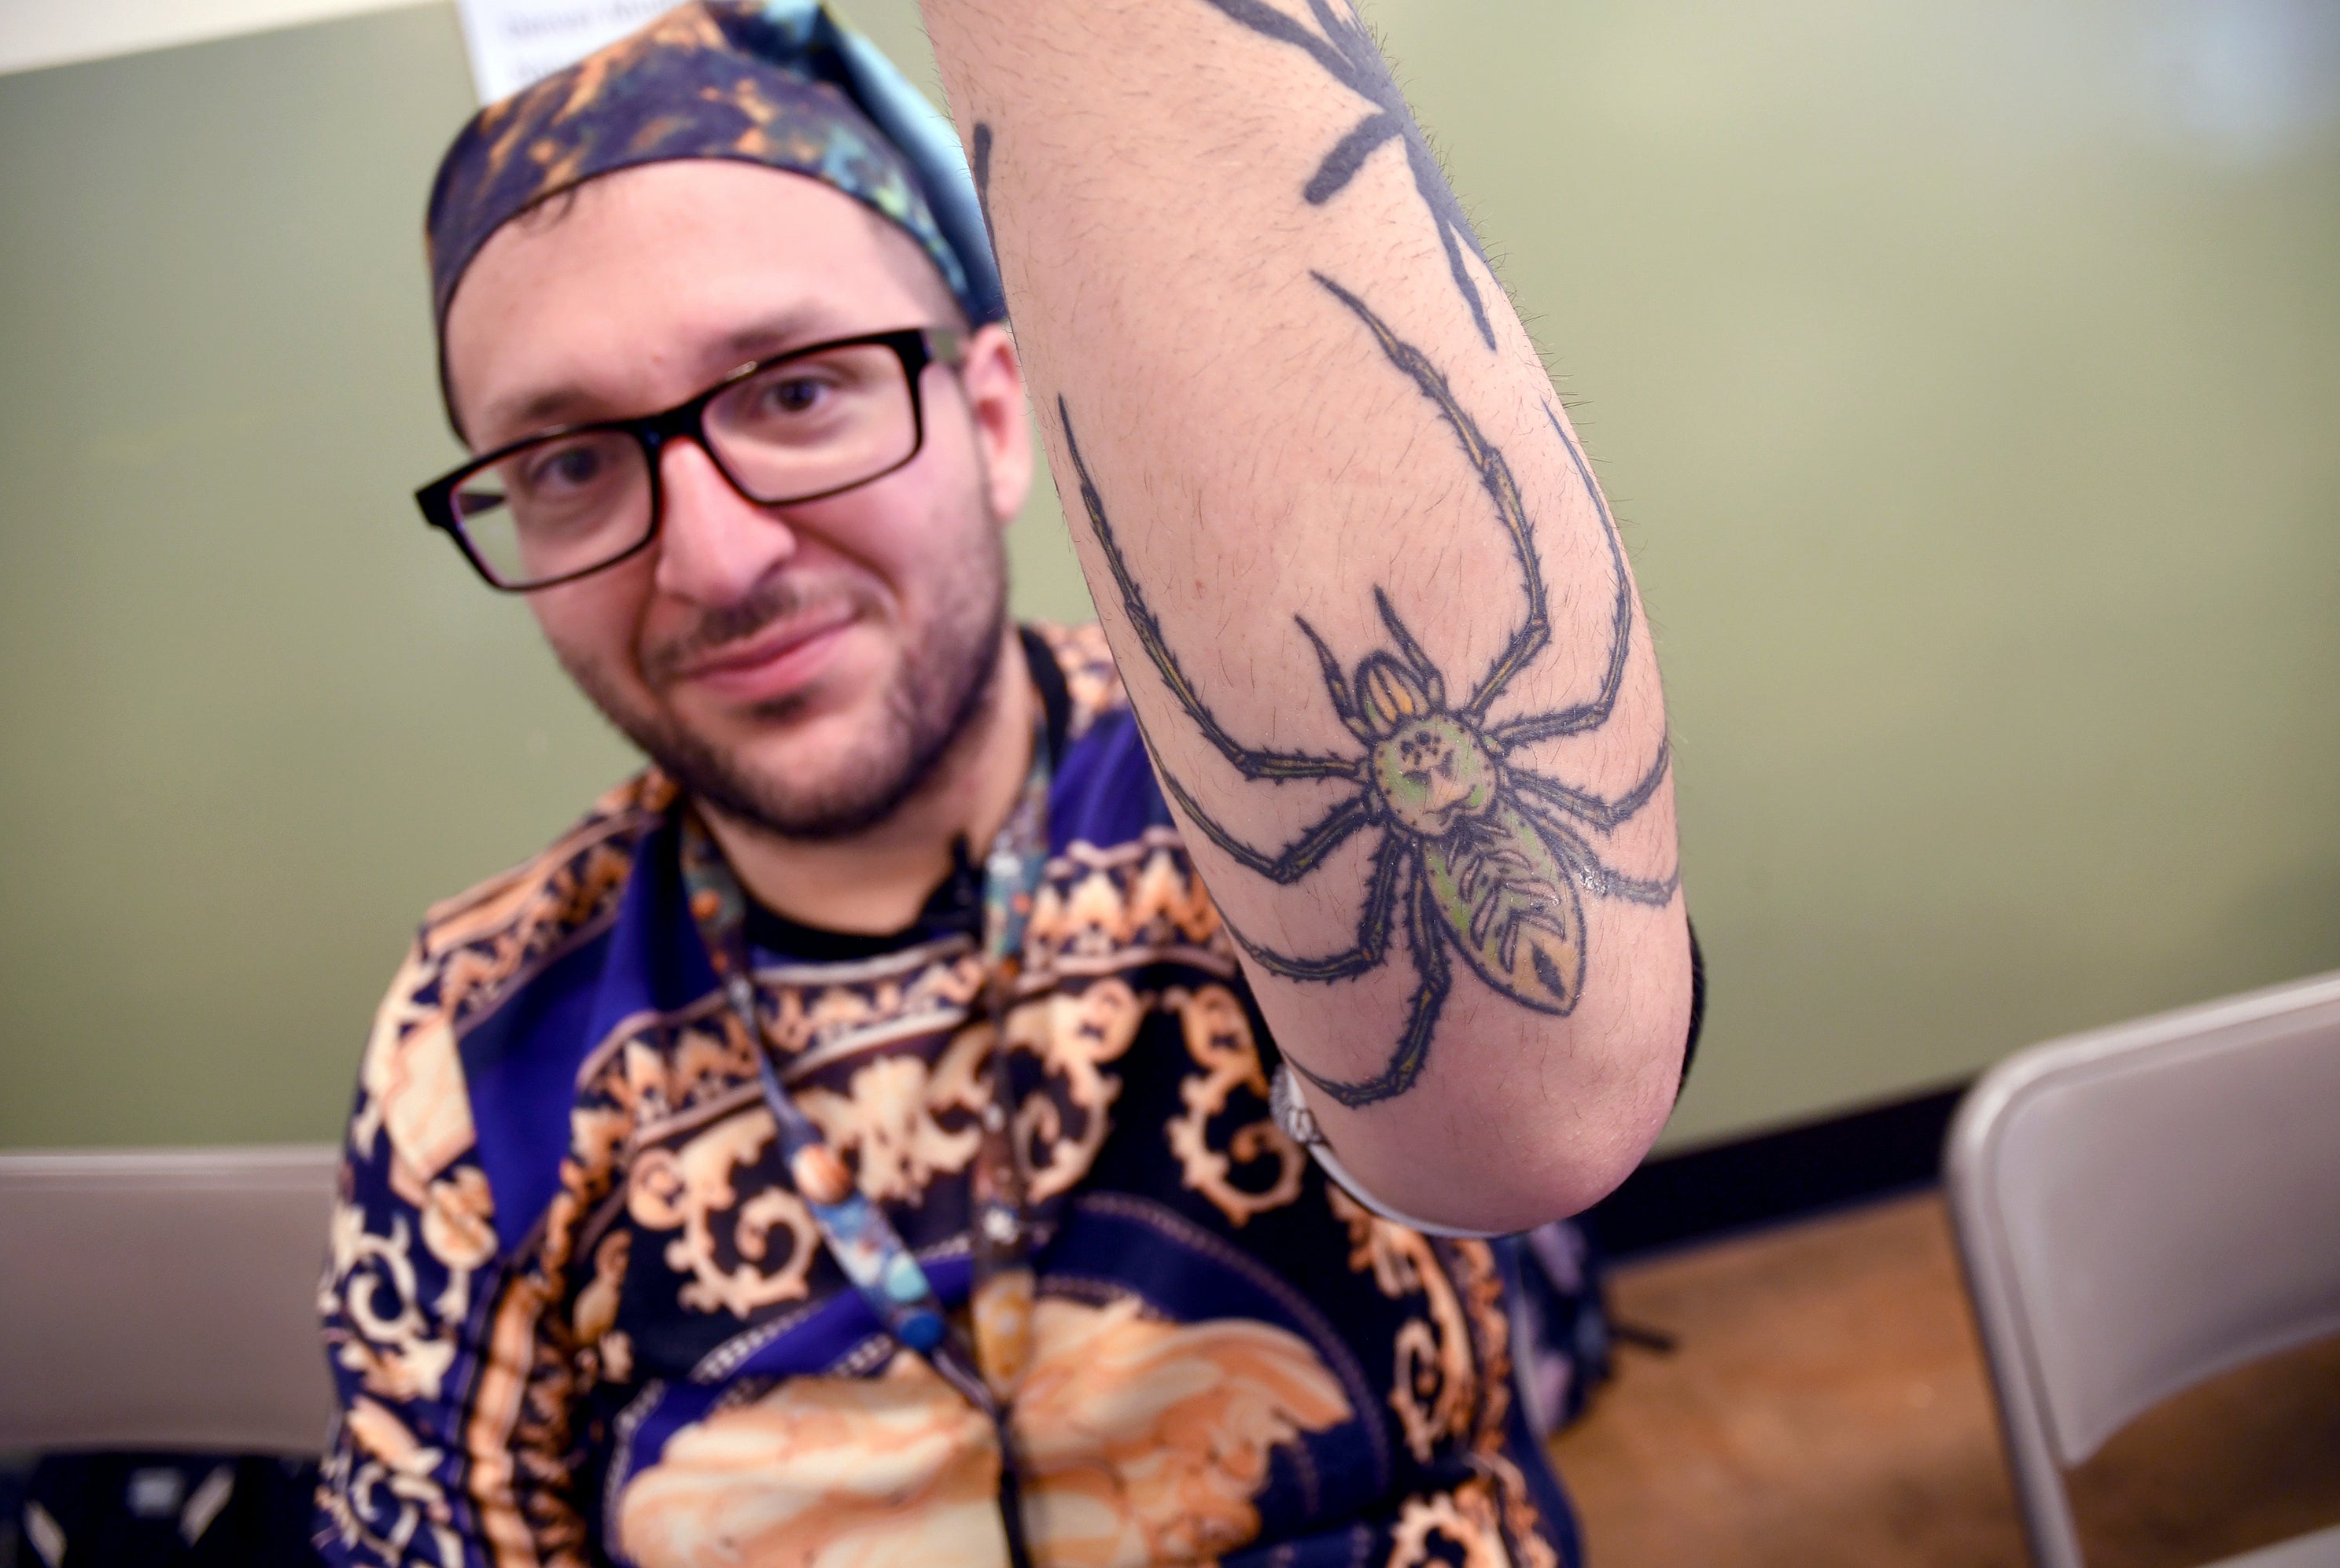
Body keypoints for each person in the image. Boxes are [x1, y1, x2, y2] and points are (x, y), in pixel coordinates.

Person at [315, 2, 1699, 1564]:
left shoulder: (1236, 833)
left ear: (991, 415)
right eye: (569, 465)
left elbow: (1546, 1109)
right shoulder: (476, 1039)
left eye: (796, 393)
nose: (717, 557)